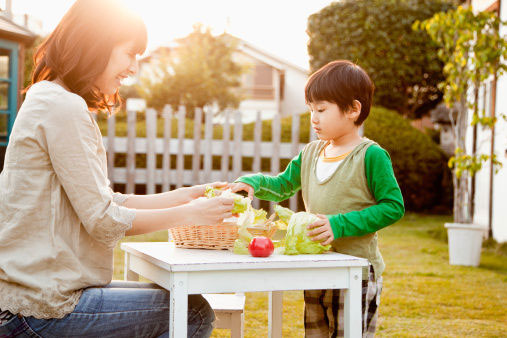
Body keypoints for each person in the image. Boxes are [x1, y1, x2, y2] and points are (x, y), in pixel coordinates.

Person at [0, 0, 234, 337]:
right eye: (130, 53)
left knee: (186, 302)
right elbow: (104, 219)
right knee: (191, 312)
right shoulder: (63, 107)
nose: (133, 67)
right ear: (97, 46)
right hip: (40, 308)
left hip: (29, 298)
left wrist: (186, 198)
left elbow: (105, 202)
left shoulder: (50, 99)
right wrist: (190, 214)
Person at [230, 60, 405, 337]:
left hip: (355, 270)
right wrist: (252, 182)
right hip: (318, 263)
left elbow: (393, 207)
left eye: (321, 109)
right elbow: (283, 184)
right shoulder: (311, 152)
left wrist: (339, 225)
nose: (313, 117)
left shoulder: (371, 156)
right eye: (311, 109)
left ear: (353, 109)